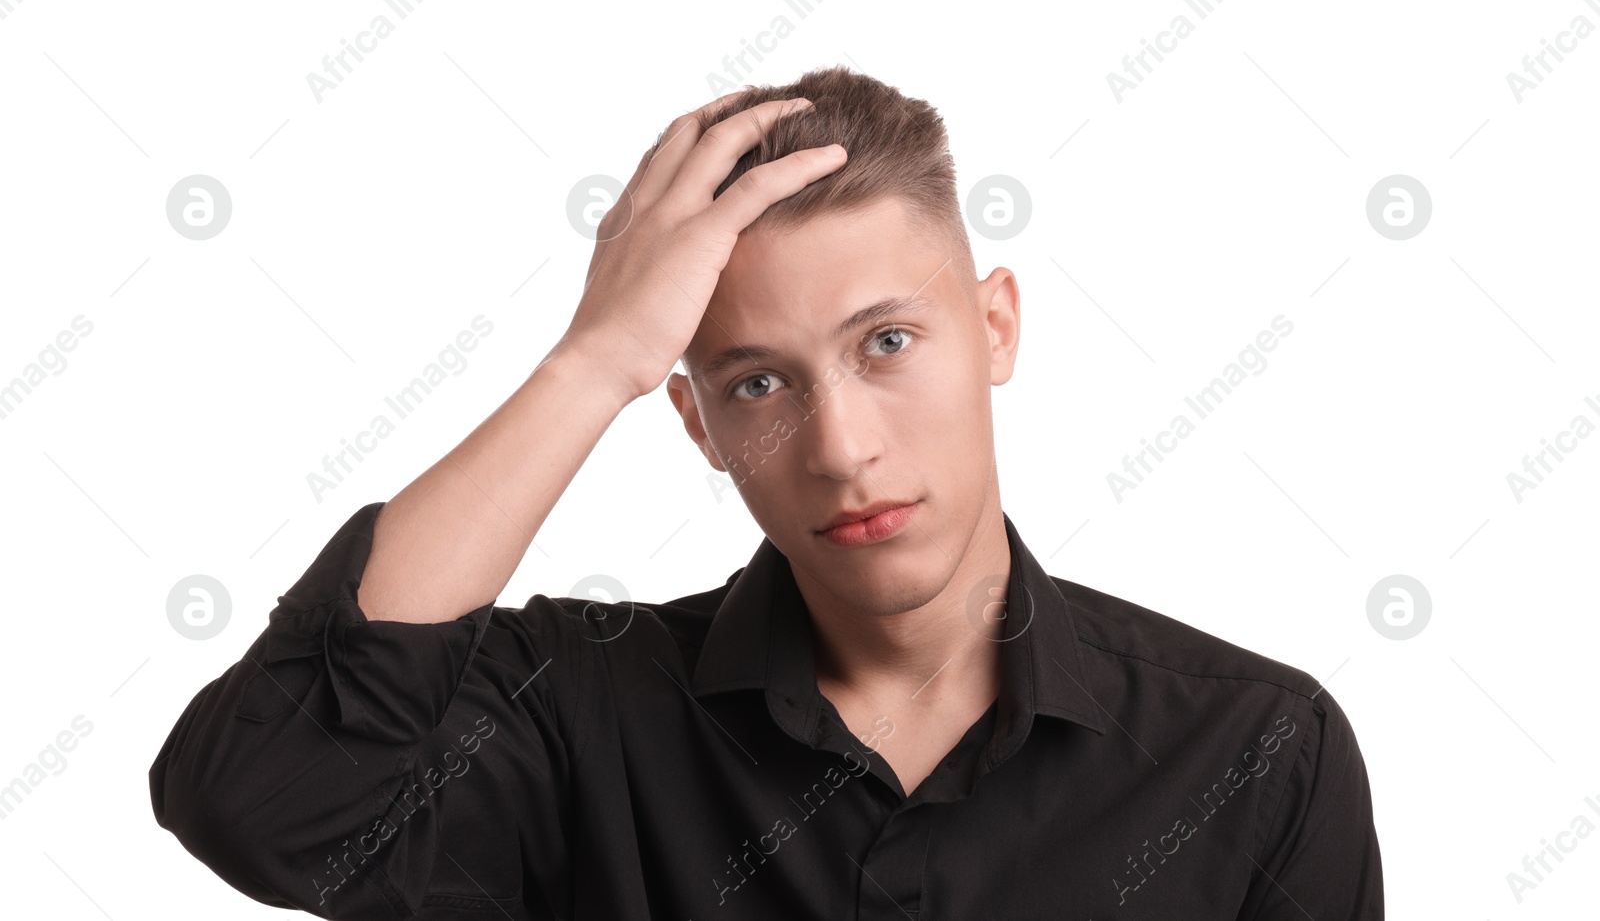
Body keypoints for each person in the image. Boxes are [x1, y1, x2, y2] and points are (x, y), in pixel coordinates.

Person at [149, 65, 1384, 918]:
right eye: (755, 386)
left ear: (995, 327)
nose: (840, 446)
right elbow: (260, 798)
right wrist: (595, 364)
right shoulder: (577, 711)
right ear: (690, 418)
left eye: (887, 343)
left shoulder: (1257, 749)